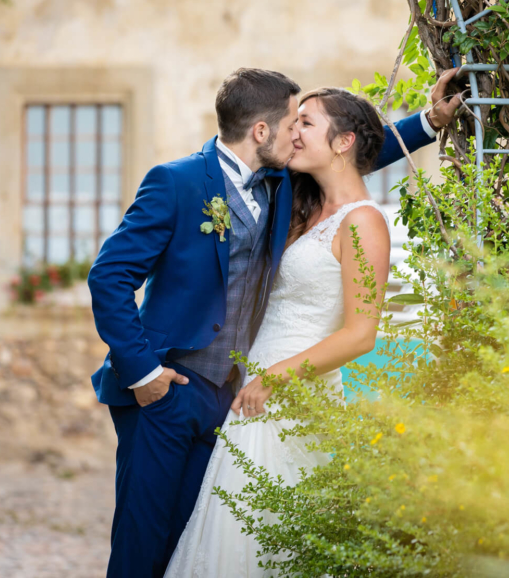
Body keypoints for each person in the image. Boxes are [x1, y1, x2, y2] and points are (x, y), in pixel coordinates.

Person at [89, 67, 462, 578]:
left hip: (230, 399)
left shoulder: (282, 183)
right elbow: (109, 277)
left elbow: (351, 159)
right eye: (294, 123)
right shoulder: (175, 182)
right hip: (165, 389)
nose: (297, 135)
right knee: (140, 545)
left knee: (192, 542)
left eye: (306, 125)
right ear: (263, 132)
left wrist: (428, 121)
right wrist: (144, 373)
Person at [165, 87, 401, 576]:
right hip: (252, 393)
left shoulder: (364, 223)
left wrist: (274, 379)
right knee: (235, 532)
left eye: (306, 123)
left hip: (292, 394)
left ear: (343, 142)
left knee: (277, 535)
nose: (293, 133)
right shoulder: (297, 204)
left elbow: (361, 335)